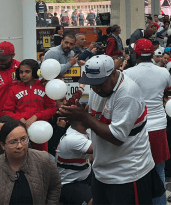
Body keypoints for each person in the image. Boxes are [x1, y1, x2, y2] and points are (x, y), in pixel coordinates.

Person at [58, 55, 164, 204]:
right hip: (102, 171)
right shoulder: (98, 88)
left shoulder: (127, 93)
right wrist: (76, 117)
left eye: (100, 83)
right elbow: (97, 121)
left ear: (113, 73)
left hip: (128, 174)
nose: (96, 88)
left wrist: (84, 118)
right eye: (92, 84)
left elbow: (117, 137)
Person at [123, 39, 171, 205]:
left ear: (135, 54)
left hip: (136, 127)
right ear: (153, 54)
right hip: (158, 125)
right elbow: (167, 90)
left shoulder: (128, 74)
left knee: (136, 172)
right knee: (159, 170)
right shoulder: (164, 72)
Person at [0, 120, 61, 204]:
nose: (19, 146)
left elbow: (55, 185)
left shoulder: (43, 159)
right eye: (13, 142)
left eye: (23, 139)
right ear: (3, 145)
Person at [2, 59, 57, 151]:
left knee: (40, 158)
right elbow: (6, 111)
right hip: (19, 130)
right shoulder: (13, 89)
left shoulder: (45, 87)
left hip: (40, 131)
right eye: (21, 72)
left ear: (36, 72)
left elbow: (52, 108)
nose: (23, 75)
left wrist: (36, 116)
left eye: (27, 72)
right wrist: (19, 118)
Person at [0, 42, 20, 143]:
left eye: (4, 59)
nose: (0, 62)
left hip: (15, 120)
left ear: (13, 56)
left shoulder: (21, 68)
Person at [56, 120, 93, 205]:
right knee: (94, 201)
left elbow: (93, 157)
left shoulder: (80, 130)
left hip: (85, 175)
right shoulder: (74, 138)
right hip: (68, 183)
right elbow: (101, 149)